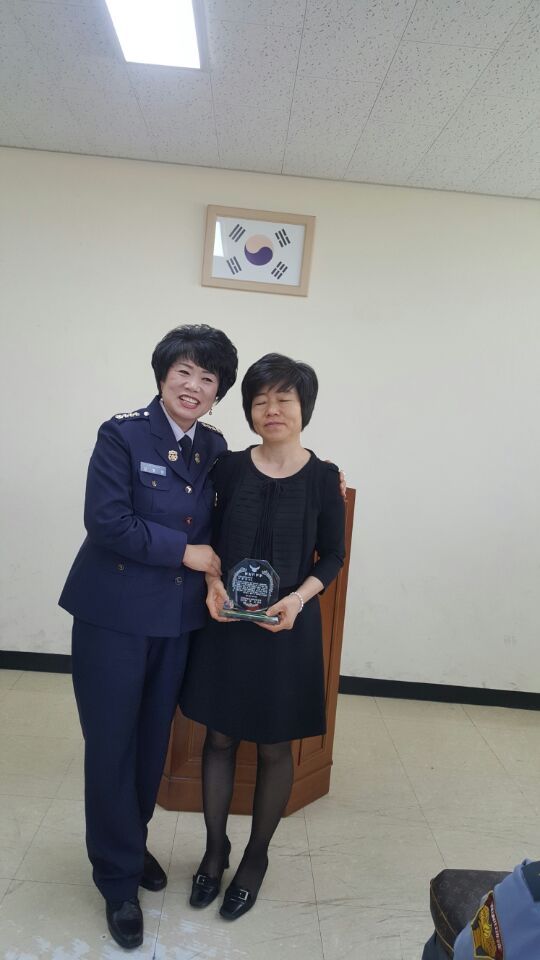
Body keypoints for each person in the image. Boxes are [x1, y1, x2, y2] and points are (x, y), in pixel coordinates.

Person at [58, 324, 238, 949]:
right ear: (163, 375)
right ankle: (115, 881)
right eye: (184, 371)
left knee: (150, 744)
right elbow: (107, 520)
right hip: (112, 615)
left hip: (176, 621)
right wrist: (187, 554)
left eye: (208, 378)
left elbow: (234, 504)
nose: (194, 386)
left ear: (218, 393)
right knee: (112, 745)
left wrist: (319, 472)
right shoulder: (123, 433)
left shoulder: (213, 447)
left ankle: (128, 846)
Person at [179, 352, 346, 920]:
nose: (271, 409)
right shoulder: (226, 468)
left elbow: (333, 556)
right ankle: (214, 850)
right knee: (219, 738)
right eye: (260, 400)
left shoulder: (323, 478)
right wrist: (212, 585)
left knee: (275, 747)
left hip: (286, 627)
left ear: (304, 408)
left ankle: (255, 857)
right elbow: (203, 535)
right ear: (249, 410)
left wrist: (298, 600)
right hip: (226, 624)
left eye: (284, 399)